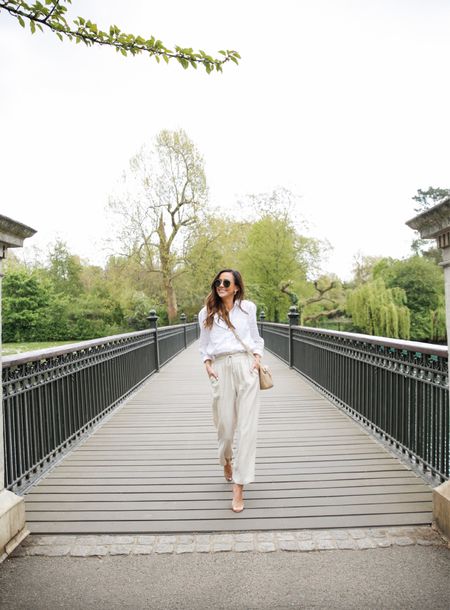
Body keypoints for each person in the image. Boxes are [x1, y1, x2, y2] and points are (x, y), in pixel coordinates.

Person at [198, 268, 264, 513]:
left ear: (236, 287)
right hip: (221, 368)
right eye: (218, 281)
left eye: (226, 282)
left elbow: (257, 339)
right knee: (225, 427)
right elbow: (204, 346)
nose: (221, 285)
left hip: (247, 367)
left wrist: (256, 358)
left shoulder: (248, 308)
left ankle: (239, 484)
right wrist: (207, 364)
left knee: (247, 428)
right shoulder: (206, 313)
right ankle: (226, 458)